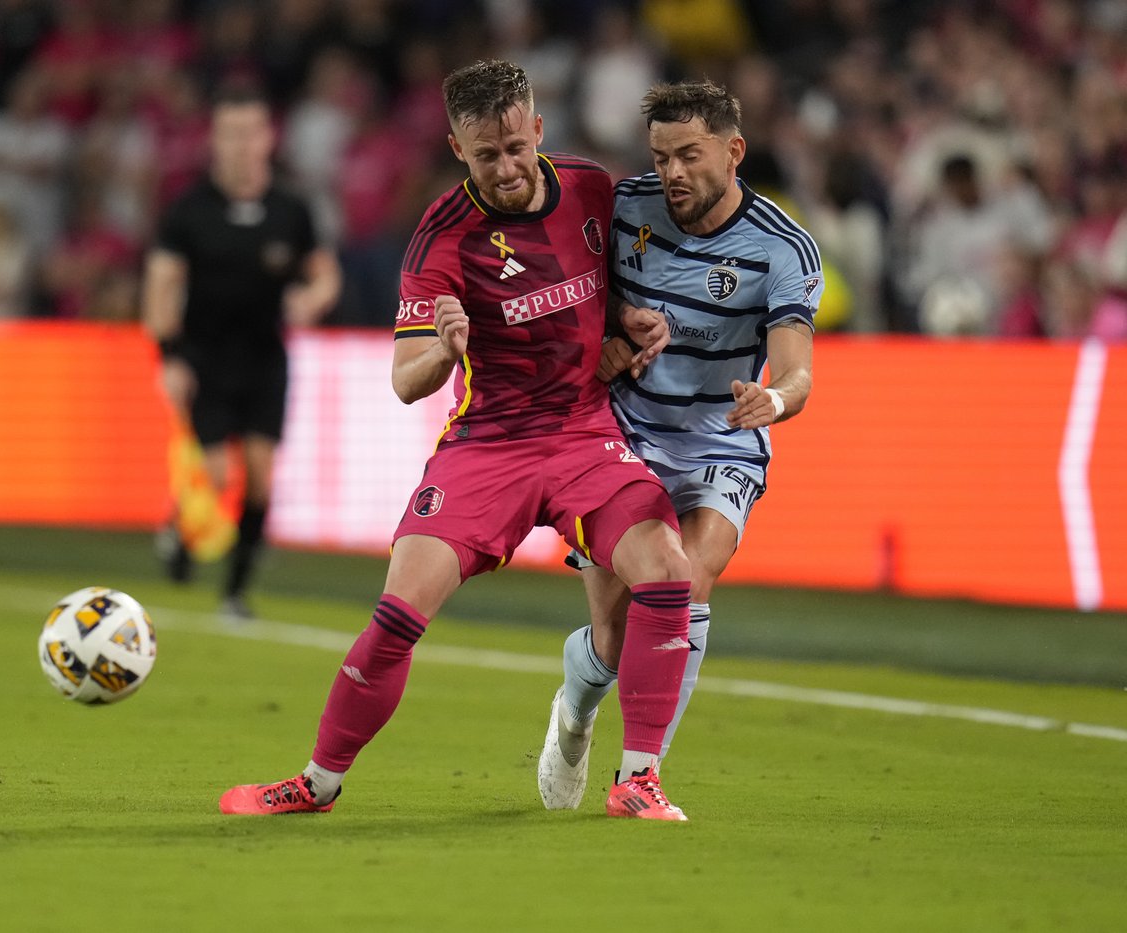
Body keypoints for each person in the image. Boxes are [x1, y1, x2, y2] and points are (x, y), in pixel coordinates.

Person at [220, 59, 693, 821]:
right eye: (486, 155)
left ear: (536, 129)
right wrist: (443, 347)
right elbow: (407, 379)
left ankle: (637, 777)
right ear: (457, 149)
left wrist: (633, 320)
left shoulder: (592, 188)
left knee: (667, 571)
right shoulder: (443, 235)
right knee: (399, 611)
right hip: (489, 445)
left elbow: (624, 284)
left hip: (582, 432)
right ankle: (318, 781)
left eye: (515, 147)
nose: (506, 168)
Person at [537, 80, 818, 812]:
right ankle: (576, 708)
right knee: (611, 633)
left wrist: (775, 398)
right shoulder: (624, 207)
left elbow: (796, 367)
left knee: (687, 580)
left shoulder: (781, 246)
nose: (673, 173)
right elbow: (572, 308)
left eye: (689, 155)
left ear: (734, 151)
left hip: (717, 440)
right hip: (618, 434)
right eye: (661, 156)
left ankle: (639, 774)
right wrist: (602, 342)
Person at [142, 86, 341, 617]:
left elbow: (325, 275)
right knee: (216, 475)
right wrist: (169, 355)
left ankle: (234, 591)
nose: (240, 144)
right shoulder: (189, 211)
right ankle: (182, 529)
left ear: (268, 139)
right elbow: (161, 284)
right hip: (205, 354)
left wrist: (310, 298)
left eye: (250, 132)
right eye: (230, 133)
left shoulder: (291, 210)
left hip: (264, 356)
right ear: (214, 140)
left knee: (259, 474)